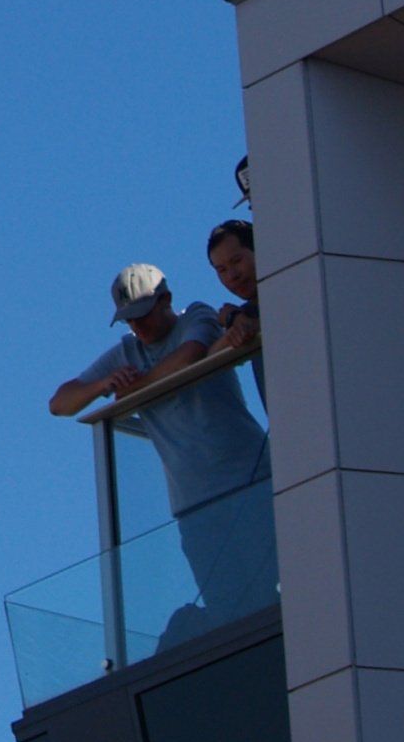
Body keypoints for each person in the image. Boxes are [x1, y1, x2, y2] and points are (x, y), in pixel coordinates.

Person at [50, 263, 274, 638]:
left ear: (166, 300)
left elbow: (188, 356)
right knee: (231, 610)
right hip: (194, 507)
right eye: (129, 320)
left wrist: (134, 390)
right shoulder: (127, 352)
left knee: (276, 586)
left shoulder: (196, 316)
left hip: (252, 481)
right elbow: (60, 403)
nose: (137, 327)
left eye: (142, 315)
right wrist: (104, 384)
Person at [209, 218, 265, 411]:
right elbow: (209, 362)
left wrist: (236, 319)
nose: (232, 275)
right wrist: (234, 329)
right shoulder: (246, 312)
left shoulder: (297, 285)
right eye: (222, 270)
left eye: (237, 261)